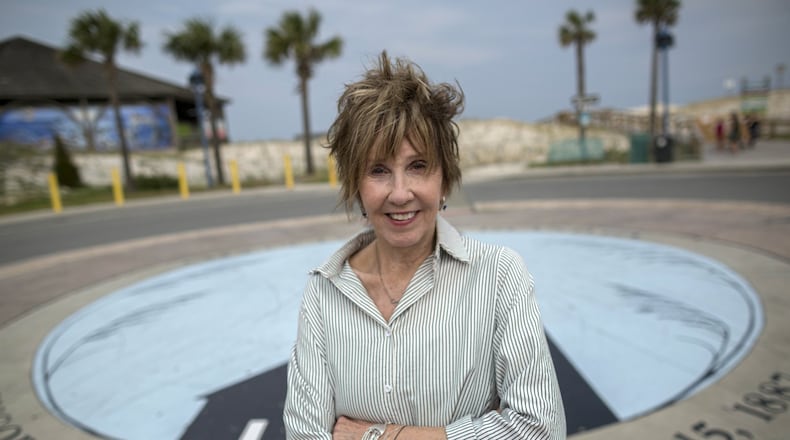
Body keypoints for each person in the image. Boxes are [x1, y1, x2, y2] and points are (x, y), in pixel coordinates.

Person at [283, 51, 566, 439]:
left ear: (445, 179)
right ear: (356, 187)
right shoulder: (322, 293)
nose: (400, 194)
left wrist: (381, 436)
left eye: (418, 166)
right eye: (378, 170)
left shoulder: (499, 276)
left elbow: (541, 429)